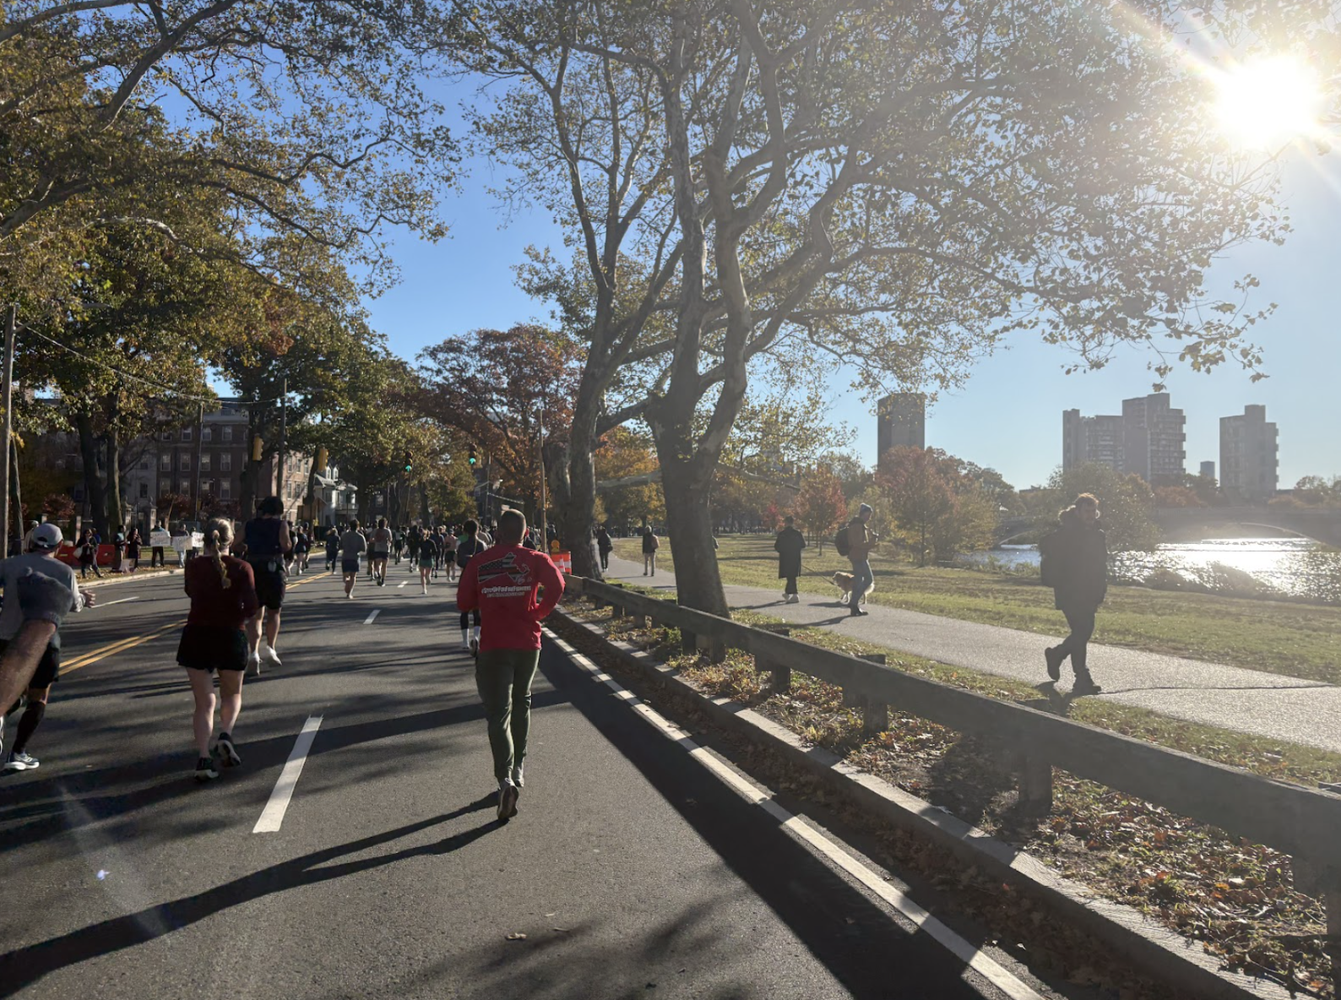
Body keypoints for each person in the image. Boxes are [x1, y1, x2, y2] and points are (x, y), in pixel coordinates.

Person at [457, 509, 565, 822]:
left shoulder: (480, 562)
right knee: (522, 703)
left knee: (498, 713)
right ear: (526, 530)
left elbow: (463, 603)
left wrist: (489, 594)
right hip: (528, 644)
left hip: (493, 645)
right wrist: (538, 611)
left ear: (497, 532)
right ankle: (518, 767)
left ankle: (504, 779)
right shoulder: (536, 559)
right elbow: (557, 585)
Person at [0, 524, 96, 772]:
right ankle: (18, 753)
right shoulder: (64, 571)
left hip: (5, 638)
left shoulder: (8, 564)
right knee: (38, 697)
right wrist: (85, 598)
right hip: (43, 642)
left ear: (31, 541)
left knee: (6, 691)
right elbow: (73, 604)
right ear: (60, 545)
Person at [176, 519, 261, 781]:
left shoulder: (193, 566)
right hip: (231, 635)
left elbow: (191, 592)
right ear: (230, 539)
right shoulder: (242, 567)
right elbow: (252, 606)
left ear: (205, 539)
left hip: (197, 635)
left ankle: (203, 757)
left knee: (203, 703)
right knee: (232, 694)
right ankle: (225, 734)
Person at [1042, 493, 1107, 696]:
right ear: (1077, 512)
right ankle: (1081, 677)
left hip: (1089, 592)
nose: (1090, 515)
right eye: (1086, 511)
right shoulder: (1066, 533)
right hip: (1070, 592)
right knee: (1082, 631)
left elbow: (1101, 566)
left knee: (1081, 634)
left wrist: (1100, 590)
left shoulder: (1098, 534)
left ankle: (1058, 656)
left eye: (1093, 511)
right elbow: (1050, 551)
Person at [243, 497, 292, 674]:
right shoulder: (281, 525)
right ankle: (270, 648)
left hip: (254, 570)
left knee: (256, 615)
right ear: (278, 510)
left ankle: (253, 653)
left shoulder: (250, 524)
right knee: (274, 612)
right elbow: (286, 545)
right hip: (273, 570)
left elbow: (235, 543)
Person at [455, 519, 488, 651]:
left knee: (464, 609)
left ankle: (465, 641)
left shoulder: (462, 546)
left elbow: (460, 563)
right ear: (478, 530)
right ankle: (476, 637)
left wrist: (468, 559)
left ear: (465, 531)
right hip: (480, 579)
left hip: (466, 578)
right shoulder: (483, 545)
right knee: (477, 610)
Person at [843, 504, 877, 618]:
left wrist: (871, 540)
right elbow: (857, 543)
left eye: (870, 516)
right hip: (858, 556)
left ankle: (854, 607)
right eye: (867, 515)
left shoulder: (860, 525)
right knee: (868, 579)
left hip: (860, 556)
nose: (868, 518)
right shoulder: (857, 526)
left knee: (859, 580)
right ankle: (853, 602)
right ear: (862, 514)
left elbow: (861, 543)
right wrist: (872, 543)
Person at [774, 516, 807, 604]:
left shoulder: (782, 534)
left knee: (790, 576)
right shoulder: (797, 533)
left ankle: (794, 594)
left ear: (786, 523)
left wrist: (784, 550)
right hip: (795, 557)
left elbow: (777, 547)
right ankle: (787, 593)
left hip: (785, 557)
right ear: (793, 523)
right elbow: (803, 545)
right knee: (792, 576)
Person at [339, 519, 367, 598]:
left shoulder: (344, 535)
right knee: (353, 576)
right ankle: (349, 593)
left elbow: (340, 546)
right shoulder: (360, 537)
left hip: (345, 557)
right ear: (358, 527)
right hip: (355, 558)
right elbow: (364, 549)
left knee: (345, 575)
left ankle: (347, 582)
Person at [369, 517, 392, 586]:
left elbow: (370, 539)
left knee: (378, 564)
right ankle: (382, 579)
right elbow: (390, 540)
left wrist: (376, 540)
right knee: (384, 566)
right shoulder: (387, 531)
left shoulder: (375, 531)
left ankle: (378, 573)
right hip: (385, 549)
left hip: (377, 549)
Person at [417, 527, 437, 595]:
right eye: (422, 535)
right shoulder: (421, 541)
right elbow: (417, 547)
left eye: (424, 535)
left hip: (428, 559)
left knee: (427, 575)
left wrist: (431, 553)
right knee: (422, 575)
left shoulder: (431, 542)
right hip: (423, 559)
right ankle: (424, 589)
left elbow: (435, 551)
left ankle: (428, 579)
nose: (423, 536)